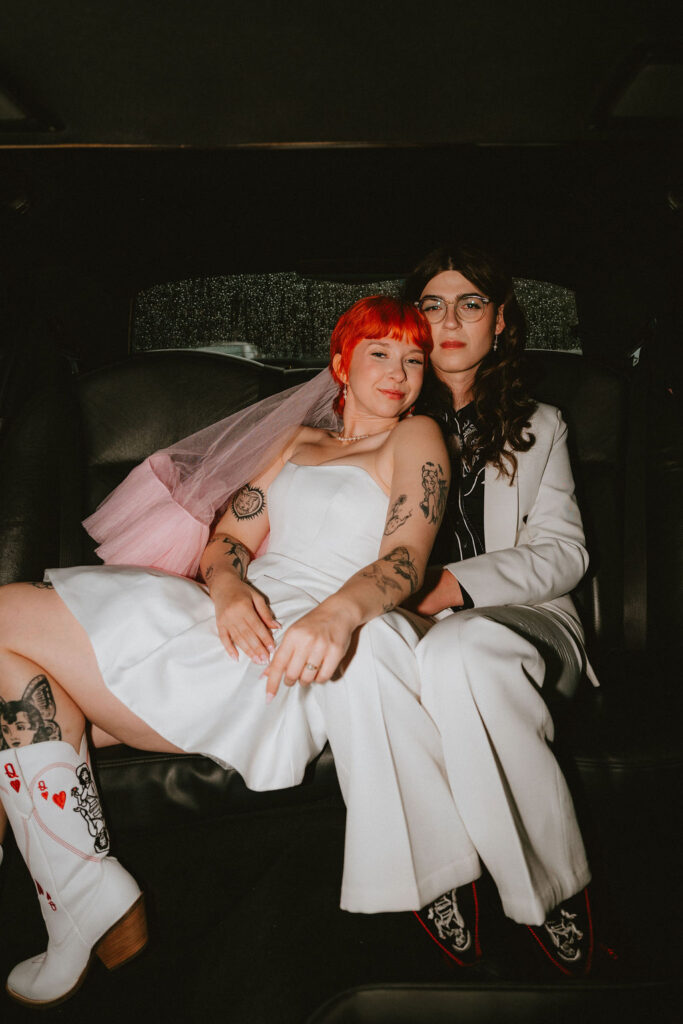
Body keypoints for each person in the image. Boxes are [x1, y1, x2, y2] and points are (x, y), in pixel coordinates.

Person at [0, 295, 465, 1008]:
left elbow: (404, 561)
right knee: (7, 667)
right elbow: (228, 539)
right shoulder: (298, 444)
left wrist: (335, 617)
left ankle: (83, 899)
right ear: (341, 363)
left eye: (412, 358)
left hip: (296, 645)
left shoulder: (417, 439)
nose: (398, 372)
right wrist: (224, 588)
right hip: (222, 616)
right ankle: (81, 896)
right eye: (379, 352)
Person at [401, 243, 597, 977]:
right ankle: (440, 868)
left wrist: (453, 587)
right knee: (393, 664)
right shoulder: (375, 416)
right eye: (431, 303)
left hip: (526, 620)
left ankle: (549, 888)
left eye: (470, 303)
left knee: (459, 650)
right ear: (412, 321)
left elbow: (565, 554)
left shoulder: (540, 424)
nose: (449, 319)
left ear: (500, 322)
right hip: (402, 620)